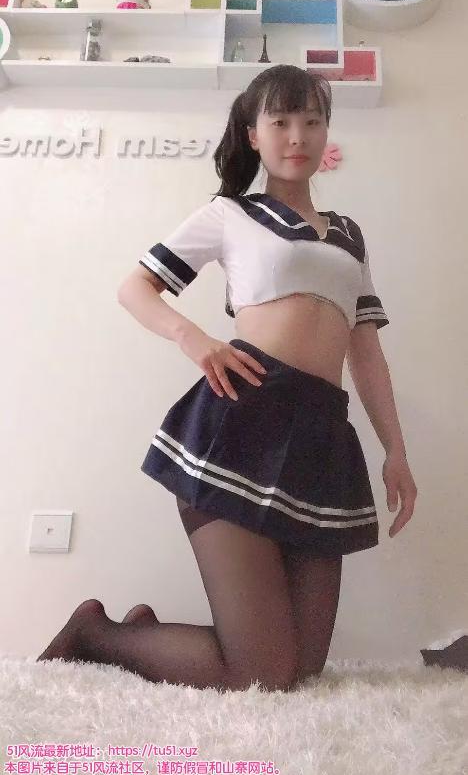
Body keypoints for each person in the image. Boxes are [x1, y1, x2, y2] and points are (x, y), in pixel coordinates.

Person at [37, 64, 418, 692]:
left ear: (326, 133)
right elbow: (136, 288)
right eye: (281, 121)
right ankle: (97, 633)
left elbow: (367, 353)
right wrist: (195, 339)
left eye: (312, 121)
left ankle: (141, 633)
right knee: (261, 674)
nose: (297, 135)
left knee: (300, 671)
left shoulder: (350, 236)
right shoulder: (230, 213)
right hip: (240, 421)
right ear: (253, 134)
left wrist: (395, 451)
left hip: (320, 440)